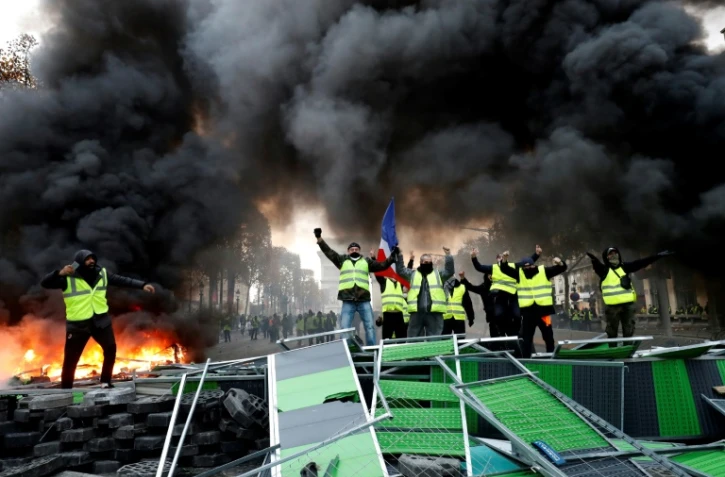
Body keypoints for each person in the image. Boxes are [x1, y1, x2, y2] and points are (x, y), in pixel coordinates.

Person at [41, 249, 155, 389]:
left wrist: (142, 285)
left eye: (93, 259)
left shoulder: (102, 273)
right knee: (71, 359)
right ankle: (66, 390)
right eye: (88, 259)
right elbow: (45, 283)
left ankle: (105, 381)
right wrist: (59, 273)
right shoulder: (67, 277)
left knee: (110, 349)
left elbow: (122, 280)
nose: (92, 261)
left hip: (100, 321)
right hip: (78, 324)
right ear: (79, 261)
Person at [315, 228, 398, 345]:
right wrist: (319, 239)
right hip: (348, 300)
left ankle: (371, 351)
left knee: (369, 327)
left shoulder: (367, 262)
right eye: (352, 249)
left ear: (359, 251)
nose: (354, 250)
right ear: (348, 251)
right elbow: (329, 252)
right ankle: (348, 349)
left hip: (363, 299)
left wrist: (391, 258)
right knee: (344, 327)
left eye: (356, 249)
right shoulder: (341, 260)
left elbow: (381, 266)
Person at [587, 247, 674, 345]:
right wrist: (594, 261)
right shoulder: (604, 270)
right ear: (606, 257)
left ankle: (627, 348)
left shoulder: (625, 267)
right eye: (610, 254)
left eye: (615, 253)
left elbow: (641, 263)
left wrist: (657, 256)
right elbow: (598, 267)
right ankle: (613, 349)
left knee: (629, 329)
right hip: (612, 307)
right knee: (612, 331)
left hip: (628, 306)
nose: (614, 255)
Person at [500, 253, 567, 358]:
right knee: (527, 339)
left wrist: (560, 262)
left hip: (543, 313)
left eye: (529, 266)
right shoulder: (519, 273)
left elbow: (561, 268)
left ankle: (551, 357)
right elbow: (505, 269)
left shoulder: (543, 271)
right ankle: (527, 359)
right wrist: (504, 260)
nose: (527, 268)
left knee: (548, 336)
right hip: (528, 313)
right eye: (525, 267)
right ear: (522, 267)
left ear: (533, 265)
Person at [471, 245, 541, 338]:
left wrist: (537, 254)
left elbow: (526, 263)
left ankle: (517, 333)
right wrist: (473, 257)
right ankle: (501, 331)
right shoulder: (493, 268)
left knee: (517, 316)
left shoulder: (512, 266)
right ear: (497, 259)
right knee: (498, 315)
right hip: (500, 296)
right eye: (499, 257)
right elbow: (479, 267)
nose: (501, 258)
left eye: (502, 256)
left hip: (513, 296)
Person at [396, 248, 455, 337]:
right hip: (417, 313)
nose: (429, 264)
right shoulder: (412, 274)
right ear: (421, 262)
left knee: (434, 341)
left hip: (434, 313)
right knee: (414, 340)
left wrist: (448, 256)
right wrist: (399, 255)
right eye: (426, 262)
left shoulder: (438, 274)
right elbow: (401, 271)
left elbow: (449, 271)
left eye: (430, 262)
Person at [460, 271, 496, 336]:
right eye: (489, 275)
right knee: (494, 334)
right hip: (491, 317)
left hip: (502, 316)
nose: (491, 276)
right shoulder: (484, 287)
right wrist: (463, 278)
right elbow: (471, 287)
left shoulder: (499, 286)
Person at [375, 276, 408, 340]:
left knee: (402, 340)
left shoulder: (400, 283)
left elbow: (404, 273)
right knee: (387, 340)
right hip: (388, 316)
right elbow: (377, 273)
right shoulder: (384, 282)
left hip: (399, 315)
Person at [443, 273, 475, 338]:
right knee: (445, 342)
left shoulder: (462, 287)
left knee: (459, 341)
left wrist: (471, 318)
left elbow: (468, 303)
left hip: (457, 319)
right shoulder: (442, 288)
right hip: (446, 318)